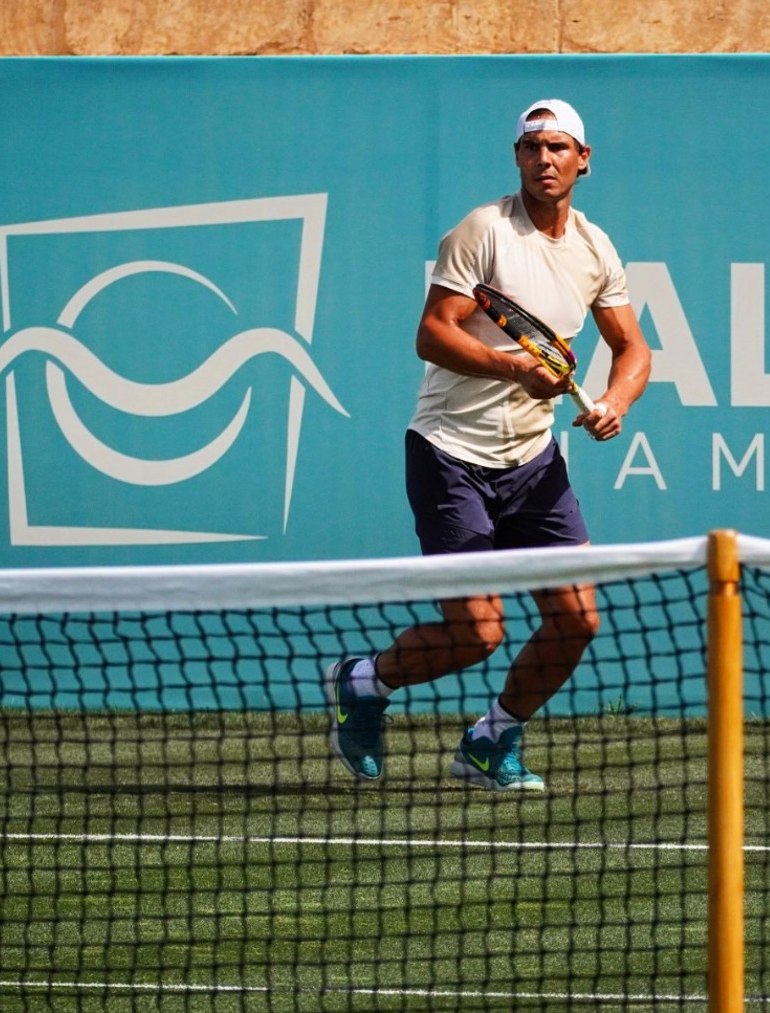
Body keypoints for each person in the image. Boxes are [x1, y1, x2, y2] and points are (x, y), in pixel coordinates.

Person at [324, 99, 651, 789]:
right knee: (478, 633)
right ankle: (364, 680)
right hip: (451, 454)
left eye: (558, 148)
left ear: (583, 159)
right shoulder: (483, 232)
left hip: (534, 463)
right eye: (532, 148)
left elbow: (632, 348)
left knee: (575, 621)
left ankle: (488, 742)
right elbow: (433, 331)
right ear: (517, 157)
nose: (545, 159)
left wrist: (615, 402)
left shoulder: (595, 249)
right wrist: (513, 366)